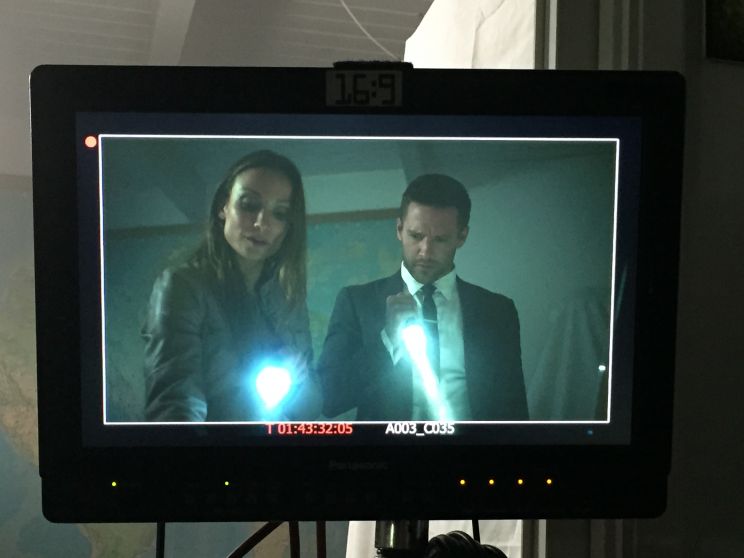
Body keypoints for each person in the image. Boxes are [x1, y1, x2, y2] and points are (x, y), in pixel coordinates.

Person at [317, 173, 527, 421]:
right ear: (399, 229)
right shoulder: (357, 302)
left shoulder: (497, 311)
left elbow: (514, 409)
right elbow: (329, 398)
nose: (425, 252)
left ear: (462, 236)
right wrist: (387, 340)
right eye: (416, 236)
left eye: (440, 239)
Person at [142, 150, 320, 422]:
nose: (262, 223)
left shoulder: (288, 297)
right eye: (249, 205)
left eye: (280, 213)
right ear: (223, 207)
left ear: (289, 226)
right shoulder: (183, 286)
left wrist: (299, 379)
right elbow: (175, 405)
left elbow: (311, 409)